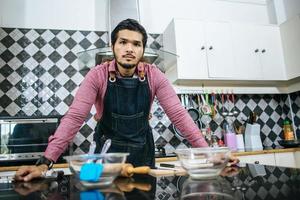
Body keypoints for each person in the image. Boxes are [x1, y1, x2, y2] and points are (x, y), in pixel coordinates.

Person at [15, 18, 238, 182]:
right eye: (123, 42)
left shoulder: (154, 75)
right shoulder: (97, 75)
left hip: (143, 155)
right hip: (107, 159)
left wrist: (209, 153)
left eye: (136, 44)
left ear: (142, 49)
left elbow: (179, 116)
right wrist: (45, 163)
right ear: (113, 46)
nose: (129, 49)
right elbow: (75, 117)